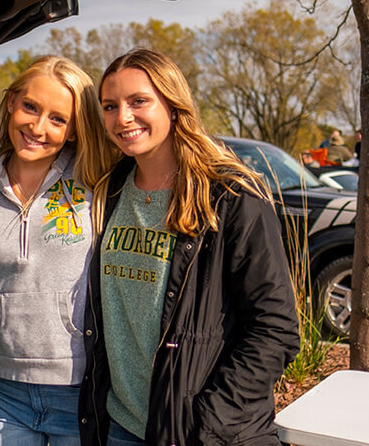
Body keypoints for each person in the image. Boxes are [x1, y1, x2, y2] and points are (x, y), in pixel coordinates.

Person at [79, 49, 299, 446]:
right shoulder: (110, 190)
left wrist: (209, 421)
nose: (122, 117)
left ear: (173, 104)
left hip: (199, 433)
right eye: (110, 106)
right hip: (121, 426)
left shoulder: (230, 195)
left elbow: (275, 328)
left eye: (138, 101)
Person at [0, 56, 108, 446]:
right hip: (1, 391)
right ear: (12, 102)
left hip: (77, 389)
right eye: (30, 107)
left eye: (57, 119)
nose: (37, 127)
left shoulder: (96, 182)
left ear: (72, 130)